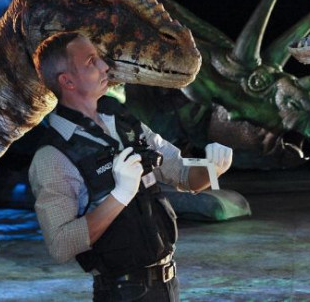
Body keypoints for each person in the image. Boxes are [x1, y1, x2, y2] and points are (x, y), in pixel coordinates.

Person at [28, 32, 233, 301]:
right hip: (122, 292)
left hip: (168, 286)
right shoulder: (52, 156)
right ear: (67, 81)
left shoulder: (125, 124)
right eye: (91, 62)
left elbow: (184, 175)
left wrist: (212, 168)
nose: (105, 66)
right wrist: (120, 195)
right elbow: (60, 245)